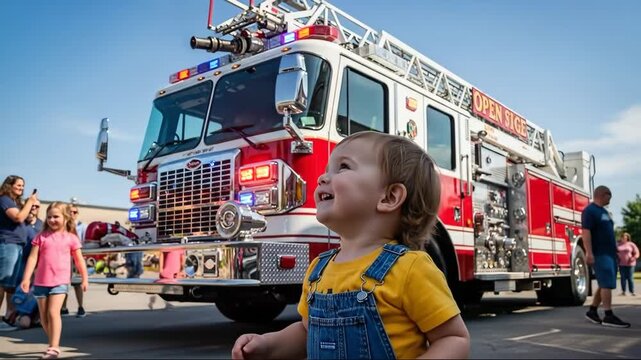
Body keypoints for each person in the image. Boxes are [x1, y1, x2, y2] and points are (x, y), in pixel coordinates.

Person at [231, 131, 470, 359]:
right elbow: (306, 332)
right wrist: (267, 347)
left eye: (343, 167)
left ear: (389, 197)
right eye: (326, 170)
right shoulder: (318, 270)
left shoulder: (411, 268)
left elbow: (453, 338)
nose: (323, 177)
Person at [20, 202, 89, 359]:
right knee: (44, 318)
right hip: (40, 282)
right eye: (49, 217)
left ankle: (54, 347)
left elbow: (79, 260)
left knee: (53, 313)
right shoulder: (41, 236)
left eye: (56, 216)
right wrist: (26, 278)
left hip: (60, 282)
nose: (52, 220)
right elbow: (32, 258)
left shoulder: (71, 238)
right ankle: (53, 341)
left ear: (66, 218)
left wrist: (84, 278)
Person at [583, 186, 630, 328]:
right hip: (600, 254)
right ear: (603, 195)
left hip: (610, 254)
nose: (610, 199)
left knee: (605, 282)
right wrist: (589, 252)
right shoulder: (590, 211)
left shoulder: (604, 212)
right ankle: (608, 315)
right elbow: (586, 233)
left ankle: (592, 311)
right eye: (610, 196)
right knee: (607, 283)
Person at [0, 175, 38, 331]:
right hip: (8, 243)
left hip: (17, 244)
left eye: (23, 186)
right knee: (2, 281)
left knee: (10, 284)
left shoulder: (14, 202)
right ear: (9, 185)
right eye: (18, 185)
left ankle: (8, 316)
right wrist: (30, 202)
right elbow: (18, 217)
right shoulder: (4, 199)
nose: (21, 188)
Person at [60, 204, 87, 317]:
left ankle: (80, 307)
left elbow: (85, 241)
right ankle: (64, 307)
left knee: (77, 283)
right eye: (70, 212)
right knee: (64, 283)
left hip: (76, 256)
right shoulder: (62, 224)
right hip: (64, 257)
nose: (72, 214)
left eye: (75, 212)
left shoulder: (82, 226)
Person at [617, 232, 639, 296]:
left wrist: (634, 258)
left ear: (627, 238)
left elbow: (637, 253)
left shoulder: (631, 244)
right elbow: (615, 252)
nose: (623, 239)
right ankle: (623, 291)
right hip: (621, 264)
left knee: (630, 278)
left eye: (625, 238)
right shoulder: (618, 245)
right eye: (622, 237)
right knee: (623, 278)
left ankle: (632, 291)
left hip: (630, 264)